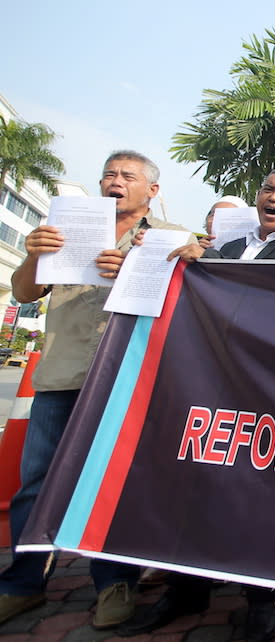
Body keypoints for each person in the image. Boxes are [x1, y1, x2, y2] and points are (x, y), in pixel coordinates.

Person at [0, 150, 192, 629]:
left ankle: (114, 583)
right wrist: (32, 253)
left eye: (128, 176)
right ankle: (23, 582)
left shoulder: (170, 239)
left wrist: (180, 260)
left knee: (113, 482)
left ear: (152, 191)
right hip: (61, 376)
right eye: (109, 173)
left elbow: (195, 296)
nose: (115, 182)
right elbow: (24, 294)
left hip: (126, 381)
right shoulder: (65, 230)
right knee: (37, 484)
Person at [136, 166, 275, 642]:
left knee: (257, 493)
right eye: (267, 188)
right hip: (209, 385)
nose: (273, 196)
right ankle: (185, 588)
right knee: (195, 485)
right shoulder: (229, 249)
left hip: (263, 393)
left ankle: (261, 600)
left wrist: (213, 263)